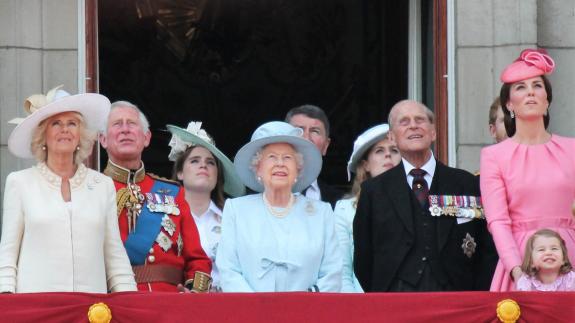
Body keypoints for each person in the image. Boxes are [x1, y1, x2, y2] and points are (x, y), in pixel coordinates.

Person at [0, 86, 136, 293]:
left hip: (91, 309)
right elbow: (7, 253)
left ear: (80, 135)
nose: (65, 129)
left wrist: (129, 299)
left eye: (72, 123)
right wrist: (6, 297)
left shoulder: (103, 186)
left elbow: (114, 254)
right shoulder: (20, 183)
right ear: (43, 135)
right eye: (56, 123)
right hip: (37, 307)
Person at [353, 100, 497, 292]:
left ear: (433, 132)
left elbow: (486, 248)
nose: (413, 125)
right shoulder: (373, 191)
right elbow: (364, 258)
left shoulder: (466, 183)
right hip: (395, 301)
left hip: (457, 299)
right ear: (392, 137)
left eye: (420, 120)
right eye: (404, 122)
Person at [480, 49, 575, 291]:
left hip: (570, 254)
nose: (531, 91)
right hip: (521, 259)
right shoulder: (494, 156)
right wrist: (517, 271)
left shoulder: (572, 149)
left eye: (537, 85)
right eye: (520, 87)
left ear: (547, 100)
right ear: (509, 104)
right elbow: (498, 221)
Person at [99, 101, 212, 292]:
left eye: (132, 124)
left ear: (146, 138)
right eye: (117, 124)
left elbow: (197, 259)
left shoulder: (174, 193)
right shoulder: (92, 189)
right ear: (102, 139)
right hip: (115, 301)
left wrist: (194, 294)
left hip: (169, 303)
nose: (125, 129)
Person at [216, 121, 341, 292]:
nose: (280, 163)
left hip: (307, 314)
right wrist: (257, 310)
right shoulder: (236, 210)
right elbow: (228, 270)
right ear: (258, 168)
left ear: (298, 169)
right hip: (250, 314)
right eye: (272, 157)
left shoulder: (322, 213)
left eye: (287, 157)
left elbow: (332, 273)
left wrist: (305, 304)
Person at [167, 121, 245, 291]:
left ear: (217, 175)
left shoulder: (234, 218)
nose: (203, 165)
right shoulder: (164, 218)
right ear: (180, 172)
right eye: (194, 161)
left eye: (210, 162)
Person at [334, 123, 401, 292]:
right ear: (366, 165)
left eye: (394, 150)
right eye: (379, 151)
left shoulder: (418, 202)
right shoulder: (345, 209)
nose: (388, 155)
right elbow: (342, 271)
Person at [285, 105, 343, 208]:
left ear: (326, 145)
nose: (306, 138)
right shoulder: (254, 195)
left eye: (315, 131)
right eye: (299, 130)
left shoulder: (342, 203)